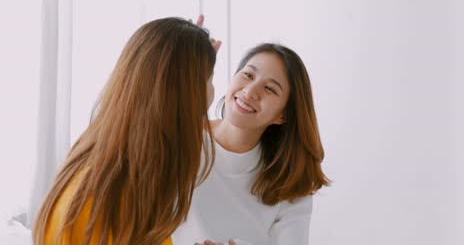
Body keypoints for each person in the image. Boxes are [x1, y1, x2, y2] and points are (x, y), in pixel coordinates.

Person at [33, 16, 221, 245]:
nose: (212, 90)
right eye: (209, 79)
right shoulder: (117, 201)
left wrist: (182, 48)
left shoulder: (100, 167)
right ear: (186, 92)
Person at [171, 43, 330, 245]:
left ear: (283, 115)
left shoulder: (290, 182)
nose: (250, 91)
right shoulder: (180, 136)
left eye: (270, 89)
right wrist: (183, 64)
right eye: (248, 75)